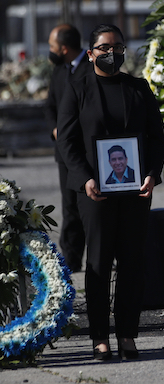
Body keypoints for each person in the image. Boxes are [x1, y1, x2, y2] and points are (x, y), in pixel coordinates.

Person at [57, 24, 164, 360]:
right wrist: (85, 178)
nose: (112, 53)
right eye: (104, 47)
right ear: (90, 53)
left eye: (117, 47)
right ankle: (100, 337)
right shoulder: (77, 89)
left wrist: (151, 173)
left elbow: (156, 138)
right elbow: (67, 141)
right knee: (100, 264)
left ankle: (128, 335)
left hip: (134, 192)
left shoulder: (137, 88)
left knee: (133, 263)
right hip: (95, 193)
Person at [45, 24, 91, 273]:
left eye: (52, 46)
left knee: (92, 206)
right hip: (65, 154)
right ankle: (71, 261)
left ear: (63, 48)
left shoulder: (89, 69)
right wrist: (54, 129)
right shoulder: (59, 71)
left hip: (86, 151)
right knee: (69, 206)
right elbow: (50, 106)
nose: (49, 51)